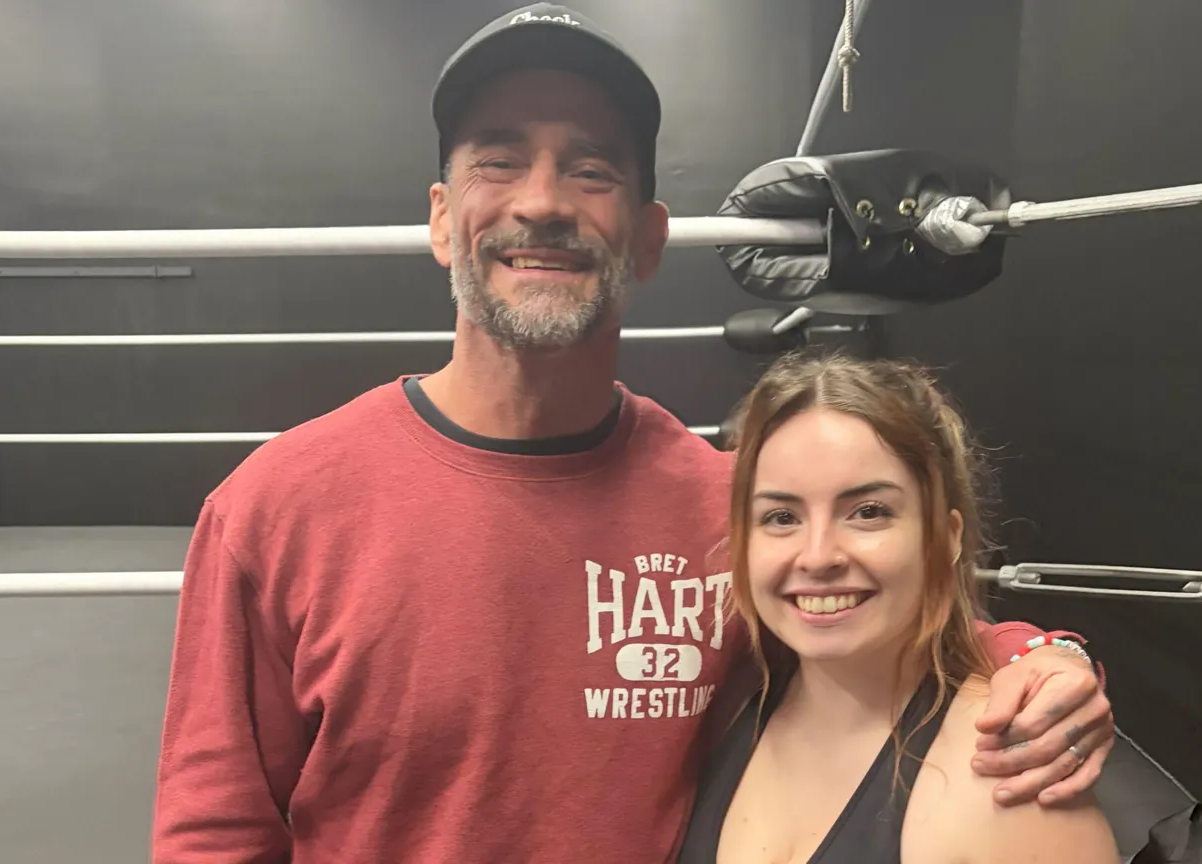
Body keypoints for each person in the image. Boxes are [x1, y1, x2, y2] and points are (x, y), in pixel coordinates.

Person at [149, 5, 1115, 863]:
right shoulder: (275, 508)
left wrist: (1044, 655)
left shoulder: (725, 507)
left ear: (648, 235)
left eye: (591, 167)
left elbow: (887, 622)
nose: (541, 201)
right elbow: (214, 834)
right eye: (498, 156)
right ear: (443, 220)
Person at [678, 351, 1119, 863]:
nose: (818, 556)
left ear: (947, 537)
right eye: (781, 517)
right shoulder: (724, 706)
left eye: (869, 512)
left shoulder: (1008, 782)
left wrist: (1056, 655)